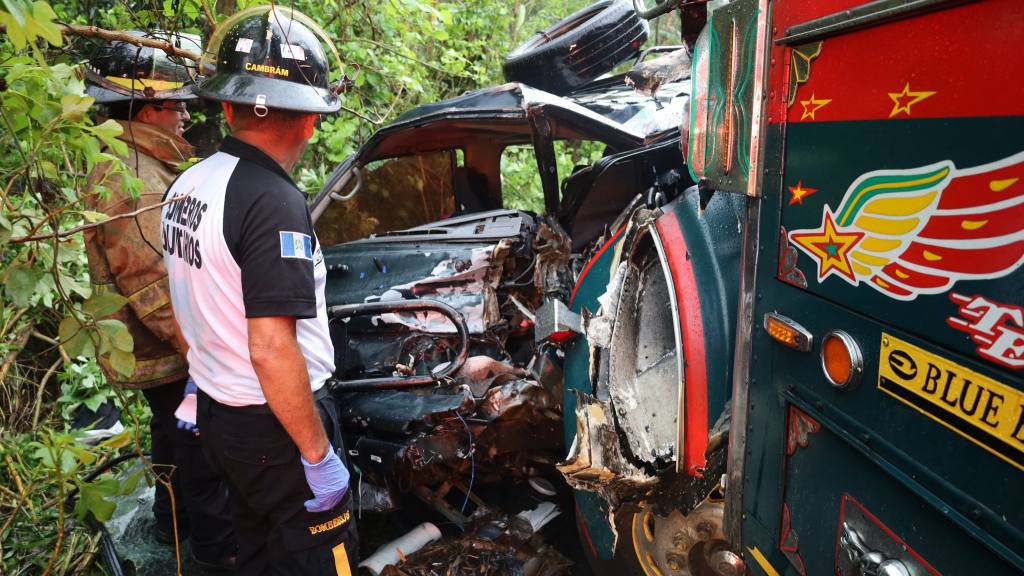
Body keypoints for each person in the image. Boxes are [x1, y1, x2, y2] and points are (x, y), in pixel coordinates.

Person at [161, 7, 357, 574]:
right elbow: (272, 348)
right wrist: (316, 454)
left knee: (258, 548)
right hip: (277, 428)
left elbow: (190, 302)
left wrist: (205, 383)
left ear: (227, 107)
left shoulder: (187, 185)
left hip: (223, 417)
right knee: (322, 556)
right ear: (311, 120)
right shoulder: (273, 202)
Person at [82, 32, 237, 571]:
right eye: (178, 106)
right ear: (148, 108)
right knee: (200, 449)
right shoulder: (135, 178)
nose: (186, 117)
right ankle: (217, 555)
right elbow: (152, 286)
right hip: (171, 350)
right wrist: (207, 352)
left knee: (173, 437)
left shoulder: (136, 162)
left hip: (158, 352)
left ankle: (172, 527)